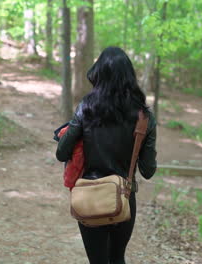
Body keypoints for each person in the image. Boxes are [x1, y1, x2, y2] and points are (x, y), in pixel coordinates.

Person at [55, 47, 157, 264]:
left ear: (99, 74)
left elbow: (62, 153)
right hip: (124, 196)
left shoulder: (86, 108)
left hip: (89, 194)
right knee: (117, 258)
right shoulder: (144, 117)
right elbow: (148, 171)